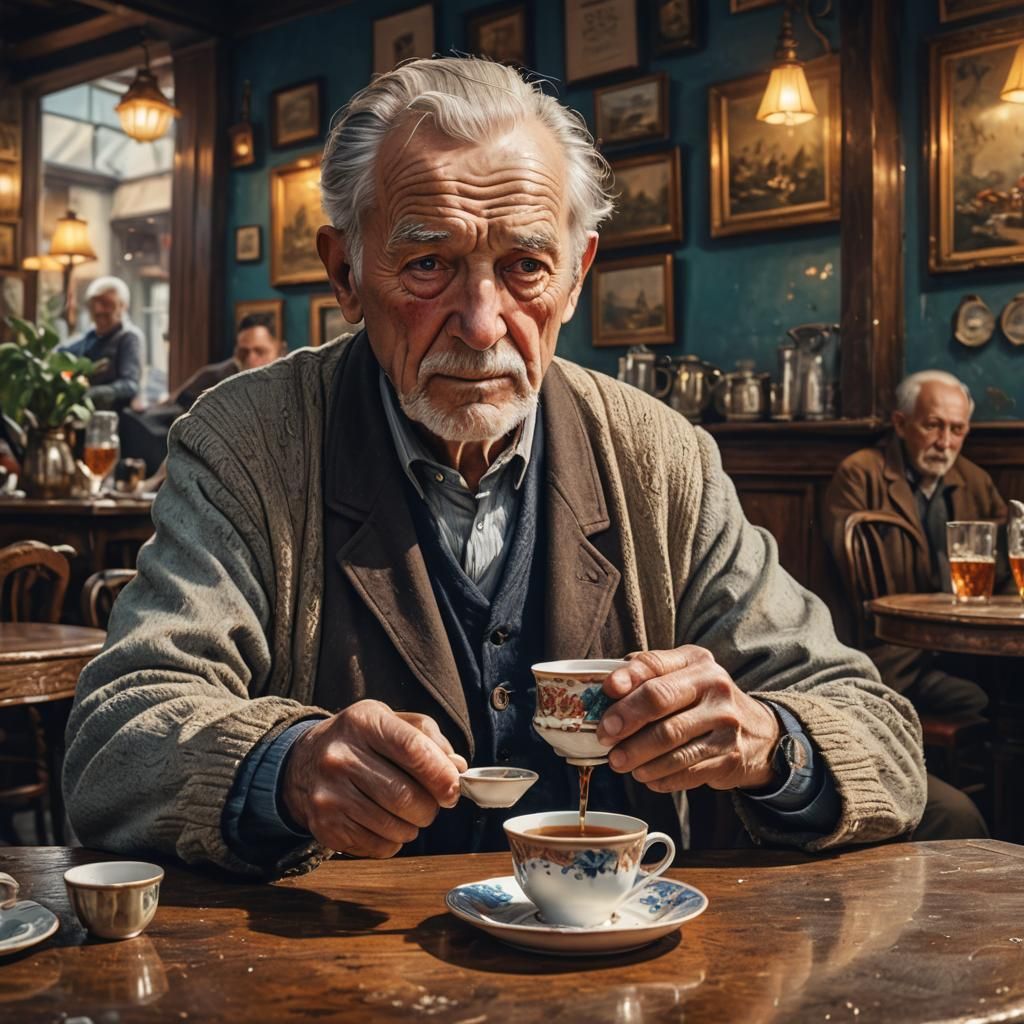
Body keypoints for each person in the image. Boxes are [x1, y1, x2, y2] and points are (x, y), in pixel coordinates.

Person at [65, 57, 926, 879]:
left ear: (577, 274)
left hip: (620, 970)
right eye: (429, 264)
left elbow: (879, 733)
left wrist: (768, 742)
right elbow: (114, 744)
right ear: (346, 272)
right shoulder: (249, 441)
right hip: (341, 970)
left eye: (525, 268)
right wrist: (280, 768)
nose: (482, 323)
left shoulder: (661, 456)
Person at [825, 369, 1006, 837]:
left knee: (1004, 704)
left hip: (959, 656)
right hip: (886, 655)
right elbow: (860, 589)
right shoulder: (860, 475)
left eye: (957, 429)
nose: (945, 441)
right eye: (933, 425)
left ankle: (1003, 831)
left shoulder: (975, 481)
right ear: (901, 422)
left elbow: (1005, 575)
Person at [119, 314, 286, 476]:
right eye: (243, 353)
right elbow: (172, 405)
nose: (251, 360)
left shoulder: (292, 386)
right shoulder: (216, 376)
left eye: (260, 351)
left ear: (280, 350)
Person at [61, 276, 143, 412]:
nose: (98, 310)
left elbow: (130, 385)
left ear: (123, 306)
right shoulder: (89, 336)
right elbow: (59, 355)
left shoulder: (128, 337)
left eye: (106, 304)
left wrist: (92, 392)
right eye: (94, 304)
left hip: (112, 417)